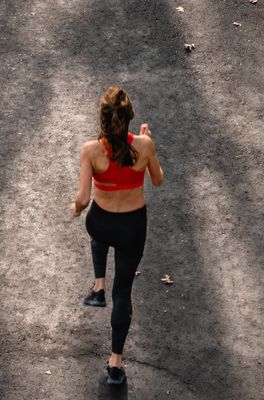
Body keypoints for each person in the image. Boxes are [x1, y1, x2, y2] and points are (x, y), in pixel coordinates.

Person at [69, 85, 165, 385]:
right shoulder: (145, 145)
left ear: (103, 119)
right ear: (129, 118)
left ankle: (98, 286)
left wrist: (74, 208)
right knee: (123, 293)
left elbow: (84, 199)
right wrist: (148, 142)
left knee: (99, 233)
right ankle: (115, 363)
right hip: (132, 227)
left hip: (102, 222)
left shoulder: (90, 151)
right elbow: (158, 181)